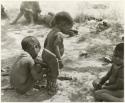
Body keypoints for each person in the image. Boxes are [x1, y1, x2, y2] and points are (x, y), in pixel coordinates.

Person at [41, 11, 73, 95]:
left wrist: (68, 34)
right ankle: (52, 88)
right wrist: (59, 60)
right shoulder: (58, 34)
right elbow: (56, 46)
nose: (68, 30)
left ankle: (49, 82)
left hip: (46, 53)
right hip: (53, 57)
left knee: (50, 69)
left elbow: (46, 41)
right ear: (62, 25)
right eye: (68, 28)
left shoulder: (53, 31)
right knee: (54, 72)